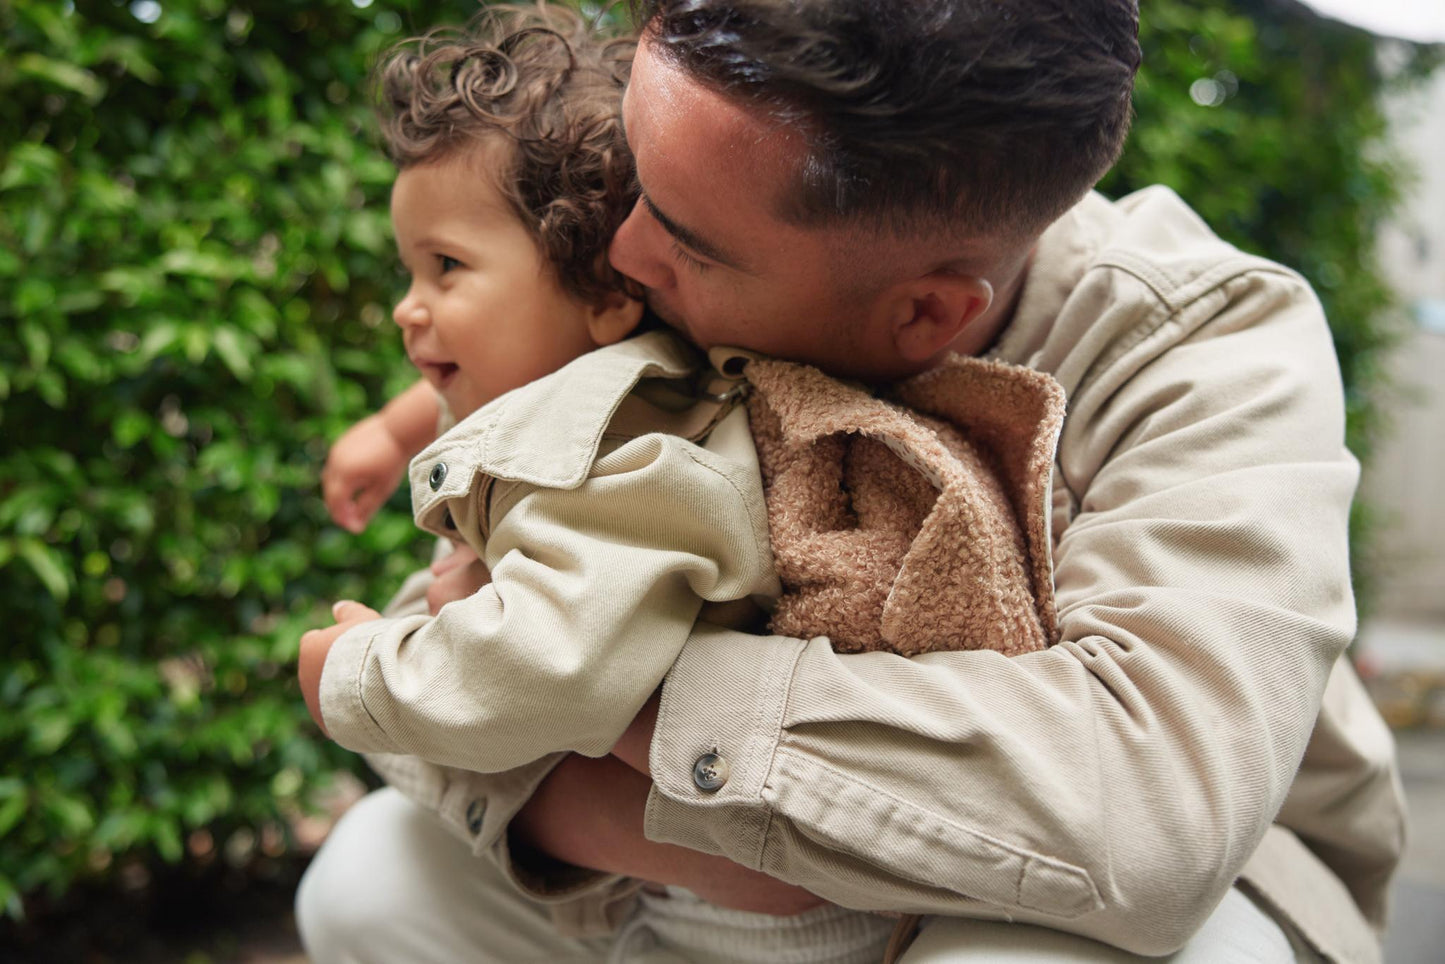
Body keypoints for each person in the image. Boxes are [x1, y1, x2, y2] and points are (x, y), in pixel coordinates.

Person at [299, 2, 1407, 962]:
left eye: (684, 235)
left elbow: (1145, 817)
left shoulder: (1202, 341)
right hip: (702, 862)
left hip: (1162, 898)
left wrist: (587, 676)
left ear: (926, 313)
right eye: (631, 177)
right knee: (372, 881)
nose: (617, 252)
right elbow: (445, 606)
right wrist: (643, 818)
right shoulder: (664, 266)